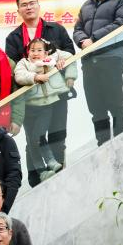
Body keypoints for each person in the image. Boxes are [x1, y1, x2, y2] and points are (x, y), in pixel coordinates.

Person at [73, 0, 123, 145]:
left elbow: (121, 22)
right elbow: (77, 28)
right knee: (96, 108)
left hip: (111, 58)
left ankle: (121, 144)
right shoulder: (86, 5)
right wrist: (82, 40)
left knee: (115, 104)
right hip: (89, 61)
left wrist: (94, 38)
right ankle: (103, 146)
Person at [13, 37, 78, 185]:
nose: (35, 53)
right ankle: (42, 170)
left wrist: (70, 76)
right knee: (32, 140)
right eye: (32, 50)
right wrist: (35, 76)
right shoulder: (23, 63)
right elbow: (19, 76)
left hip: (48, 105)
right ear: (28, 52)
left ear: (46, 52)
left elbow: (70, 57)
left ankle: (50, 162)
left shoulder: (52, 58)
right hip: (30, 107)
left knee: (38, 136)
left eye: (39, 50)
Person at [3, 0, 76, 63]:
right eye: (24, 5)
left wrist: (60, 60)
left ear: (38, 7)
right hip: (28, 70)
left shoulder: (57, 29)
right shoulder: (12, 38)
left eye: (32, 3)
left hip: (55, 69)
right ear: (18, 11)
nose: (28, 7)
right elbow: (12, 63)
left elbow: (70, 50)